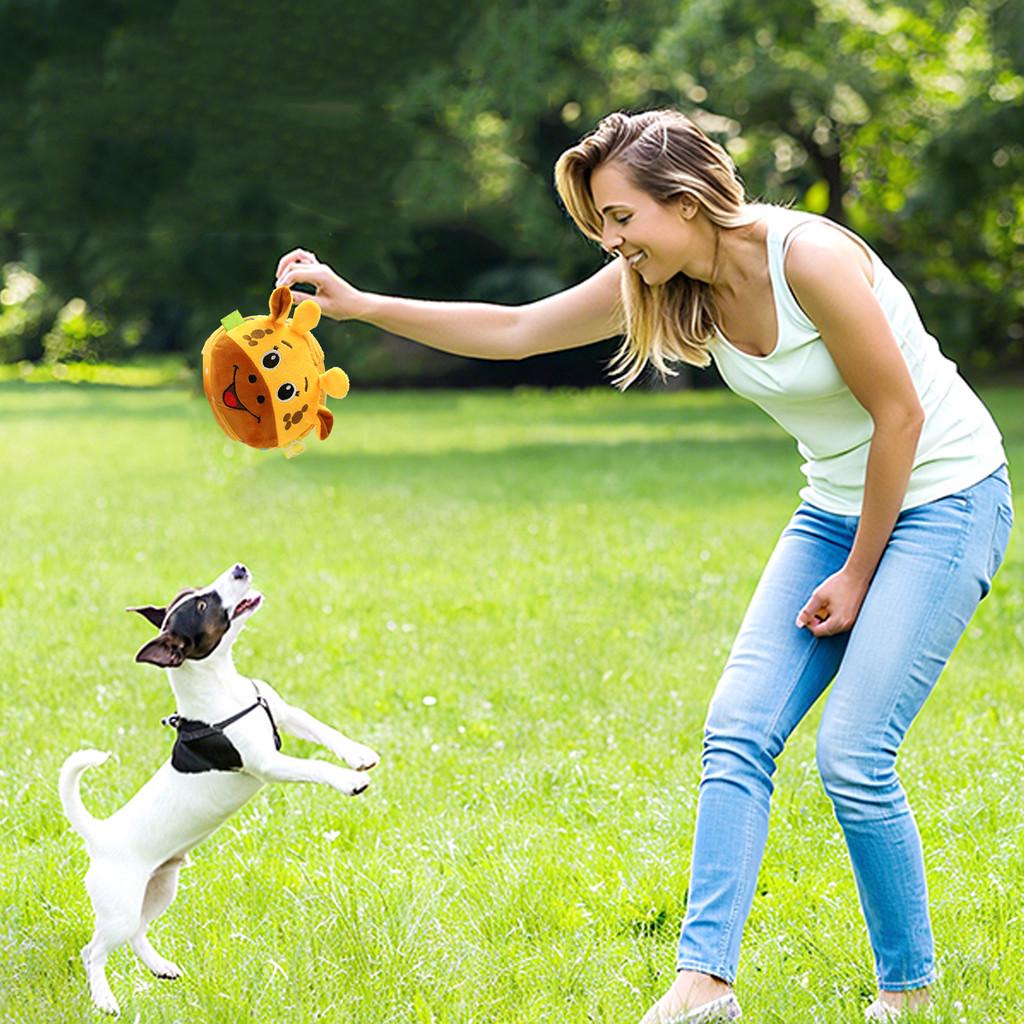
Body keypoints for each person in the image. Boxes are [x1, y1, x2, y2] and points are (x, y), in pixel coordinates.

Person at [274, 108, 1013, 1023]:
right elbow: (517, 330)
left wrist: (859, 575)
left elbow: (898, 415)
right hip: (834, 507)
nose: (612, 242)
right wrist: (360, 305)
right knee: (737, 731)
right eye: (601, 227)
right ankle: (705, 985)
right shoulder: (664, 278)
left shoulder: (807, 258)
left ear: (689, 200)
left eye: (621, 220)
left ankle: (911, 992)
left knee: (853, 754)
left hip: (945, 497)